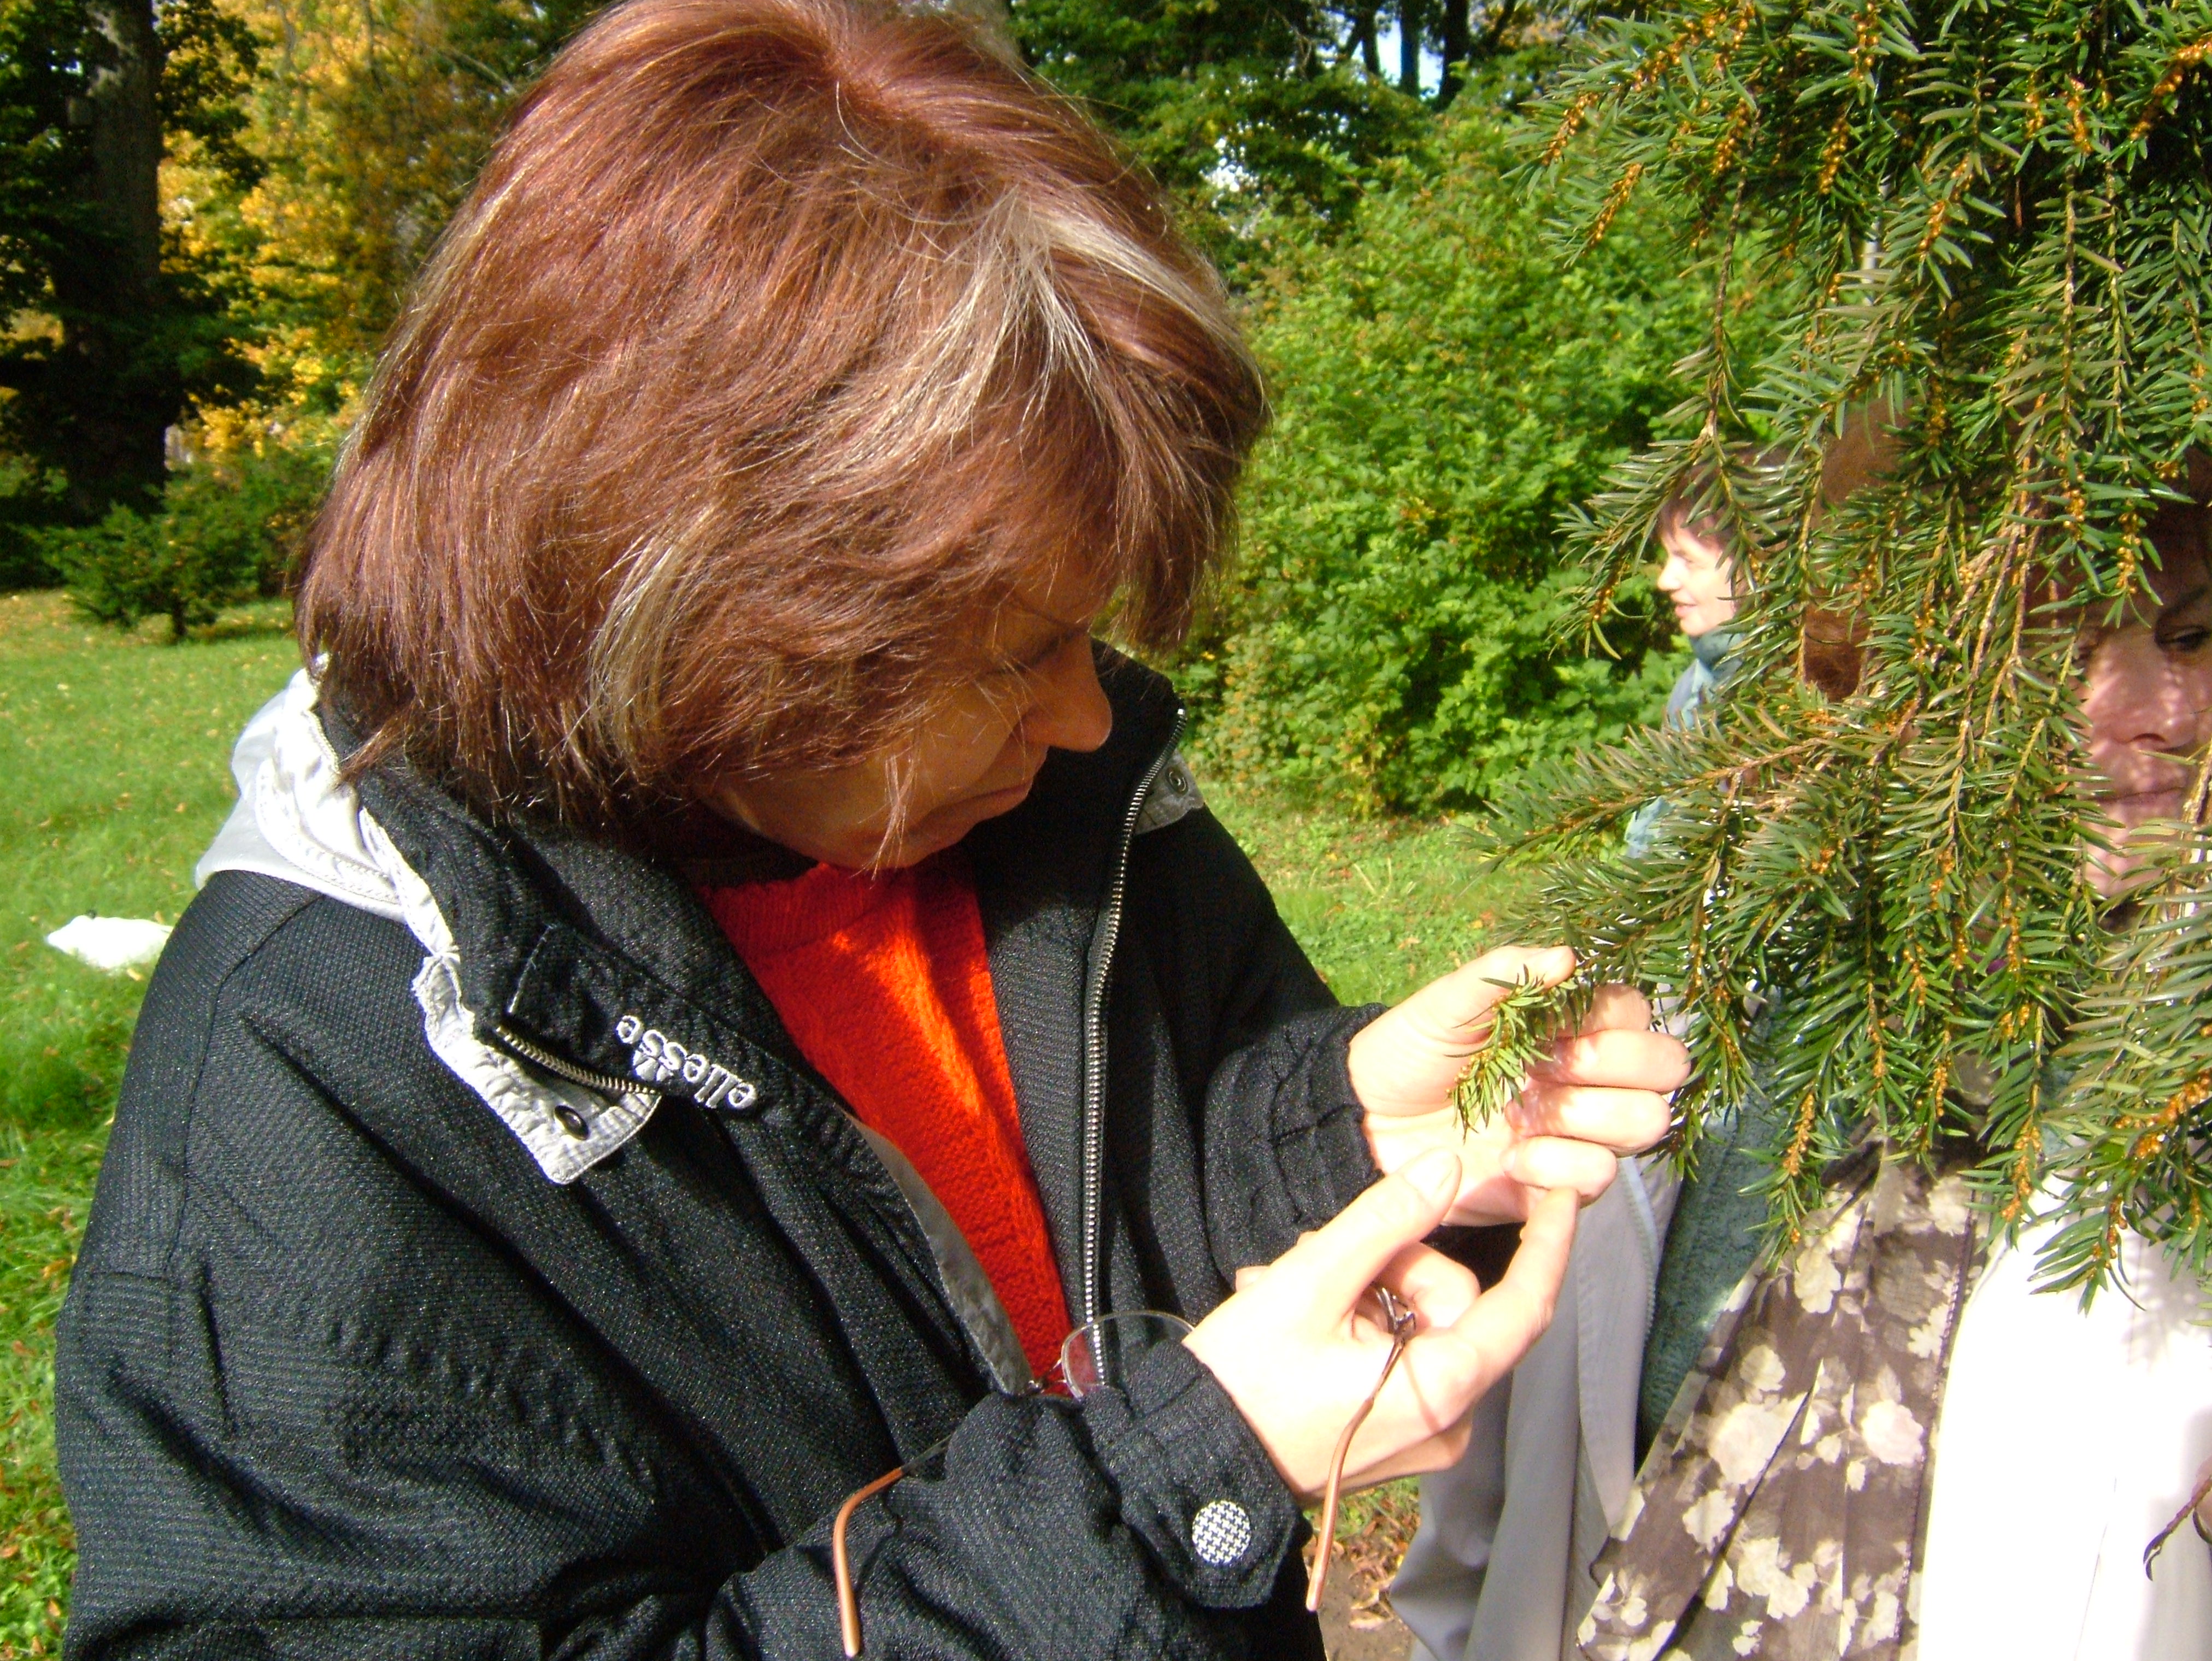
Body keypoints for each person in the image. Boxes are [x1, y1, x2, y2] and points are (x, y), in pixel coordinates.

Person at [50, 3, 1688, 1656]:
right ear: (707, 624)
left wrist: (1334, 1134)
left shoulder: (1065, 812)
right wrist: (1173, 1481)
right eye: (1011, 653)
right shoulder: (321, 1075)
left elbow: (1128, 1211)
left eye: (1083, 629)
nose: (1087, 714)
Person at [1391, 486, 1743, 1661]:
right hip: (1621, 1103)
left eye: (1693, 553)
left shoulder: (1807, 731)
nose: (1666, 580)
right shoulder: (1703, 699)